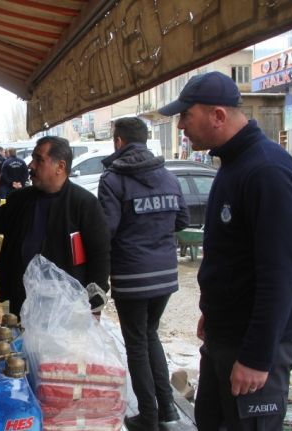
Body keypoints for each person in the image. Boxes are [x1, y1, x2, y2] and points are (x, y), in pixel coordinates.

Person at [159, 71, 292, 430]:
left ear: (218, 116)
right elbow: (232, 255)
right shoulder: (233, 164)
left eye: (186, 116)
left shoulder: (267, 170)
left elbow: (280, 276)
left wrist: (257, 356)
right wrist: (213, 313)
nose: (181, 126)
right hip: (225, 336)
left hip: (255, 346)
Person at [97, 117, 189, 430]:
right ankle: (166, 409)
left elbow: (106, 230)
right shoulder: (168, 176)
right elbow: (181, 221)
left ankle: (148, 416)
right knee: (150, 335)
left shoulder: (113, 179)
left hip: (131, 276)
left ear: (119, 141)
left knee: (136, 343)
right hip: (165, 276)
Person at [0, 136, 111, 316]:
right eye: (33, 158)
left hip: (65, 308)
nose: (31, 165)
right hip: (22, 301)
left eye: (39, 160)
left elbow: (100, 256)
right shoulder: (20, 199)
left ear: (60, 167)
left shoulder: (84, 204)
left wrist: (95, 306)